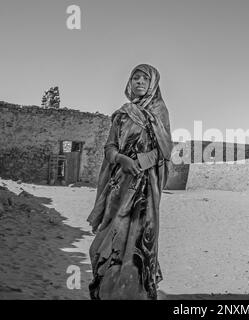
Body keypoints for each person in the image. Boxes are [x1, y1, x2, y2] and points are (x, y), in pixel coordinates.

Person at [87, 64, 173, 300]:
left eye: (145, 79)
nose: (139, 82)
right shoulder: (123, 114)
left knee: (136, 239)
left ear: (153, 83)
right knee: (106, 241)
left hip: (144, 189)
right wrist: (121, 159)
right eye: (135, 78)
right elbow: (109, 146)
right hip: (119, 186)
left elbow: (165, 150)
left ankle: (135, 292)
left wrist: (141, 162)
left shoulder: (159, 112)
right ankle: (109, 289)